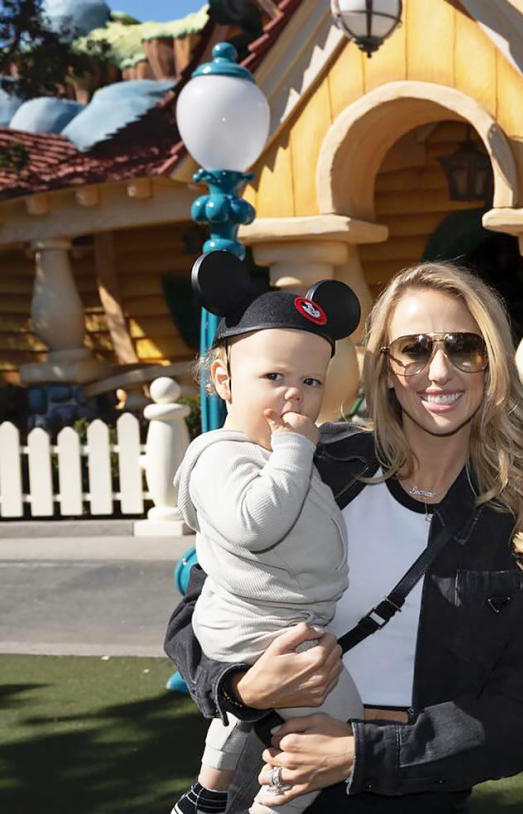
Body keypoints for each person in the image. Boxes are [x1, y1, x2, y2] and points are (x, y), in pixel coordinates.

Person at [165, 261, 523, 814]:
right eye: (414, 349)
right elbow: (197, 607)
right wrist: (241, 687)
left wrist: (363, 751)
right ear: (384, 368)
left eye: (463, 347)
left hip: (414, 795)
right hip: (265, 780)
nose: (439, 371)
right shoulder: (316, 465)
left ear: (492, 363)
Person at [170, 257, 363, 814]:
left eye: (310, 382)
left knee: (273, 711)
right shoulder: (223, 456)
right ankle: (268, 804)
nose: (294, 395)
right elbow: (257, 524)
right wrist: (296, 450)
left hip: (277, 619)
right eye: (274, 377)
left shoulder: (273, 455)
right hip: (261, 625)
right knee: (334, 730)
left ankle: (208, 789)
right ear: (225, 379)